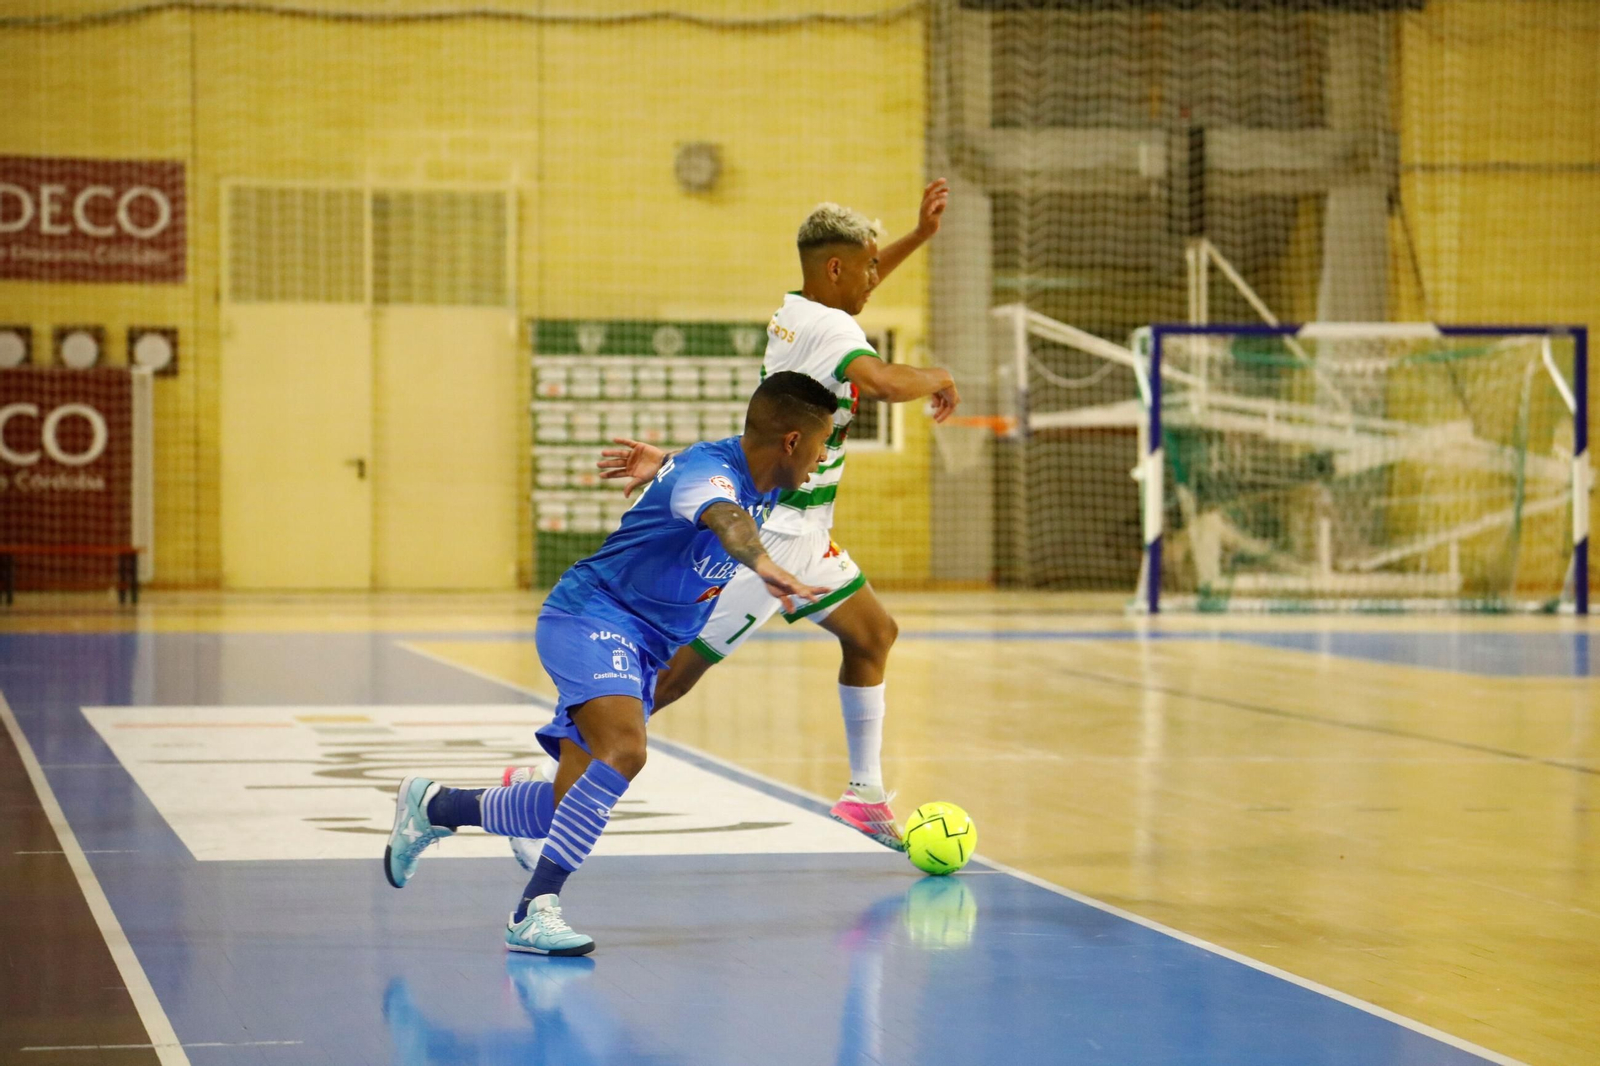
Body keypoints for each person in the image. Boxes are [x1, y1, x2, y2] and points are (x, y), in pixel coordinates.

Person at [516, 185, 962, 853]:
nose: (877, 277)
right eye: (869, 266)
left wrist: (918, 238)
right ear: (836, 268)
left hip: (807, 530)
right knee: (667, 678)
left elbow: (854, 287)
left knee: (872, 633)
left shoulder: (800, 310)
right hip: (773, 533)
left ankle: (863, 795)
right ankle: (548, 789)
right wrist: (940, 373)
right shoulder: (834, 329)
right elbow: (888, 383)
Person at [383, 371, 839, 956]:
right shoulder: (715, 480)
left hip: (643, 643)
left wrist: (668, 466)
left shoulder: (752, 473)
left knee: (560, 806)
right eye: (821, 447)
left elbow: (710, 482)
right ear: (792, 441)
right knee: (625, 750)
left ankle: (434, 805)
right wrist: (762, 563)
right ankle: (533, 910)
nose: (822, 461)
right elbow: (727, 518)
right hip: (593, 617)